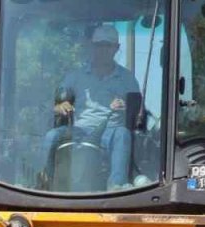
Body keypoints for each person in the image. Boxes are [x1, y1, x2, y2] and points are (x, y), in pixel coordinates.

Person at [40, 25, 142, 190]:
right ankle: (45, 183)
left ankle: (117, 185)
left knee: (123, 134)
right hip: (78, 131)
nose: (103, 50)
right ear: (92, 47)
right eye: (99, 45)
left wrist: (125, 107)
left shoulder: (127, 79)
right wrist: (61, 105)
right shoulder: (75, 76)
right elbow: (54, 104)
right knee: (52, 135)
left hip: (111, 132)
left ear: (116, 48)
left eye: (107, 45)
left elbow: (138, 111)